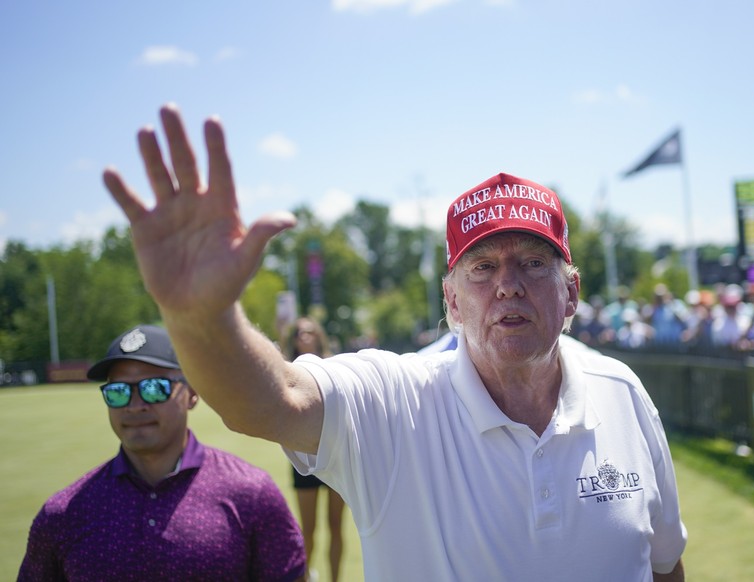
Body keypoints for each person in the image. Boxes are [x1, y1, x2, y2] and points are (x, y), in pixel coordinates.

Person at [102, 105, 687, 580]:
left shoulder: (622, 394)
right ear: (451, 302)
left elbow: (665, 568)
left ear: (571, 292)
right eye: (481, 268)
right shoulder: (395, 402)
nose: (508, 284)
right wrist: (200, 317)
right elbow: (269, 399)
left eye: (534, 262)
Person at [18, 324, 307, 582]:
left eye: (154, 388)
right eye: (118, 391)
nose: (135, 405)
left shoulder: (252, 495)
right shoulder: (63, 513)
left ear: (192, 392)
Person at [285, 317, 345, 582]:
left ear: (318, 335)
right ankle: (306, 577)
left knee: (336, 525)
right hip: (303, 455)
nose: (305, 336)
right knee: (307, 529)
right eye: (299, 333)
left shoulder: (334, 364)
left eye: (310, 331)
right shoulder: (286, 368)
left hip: (337, 453)